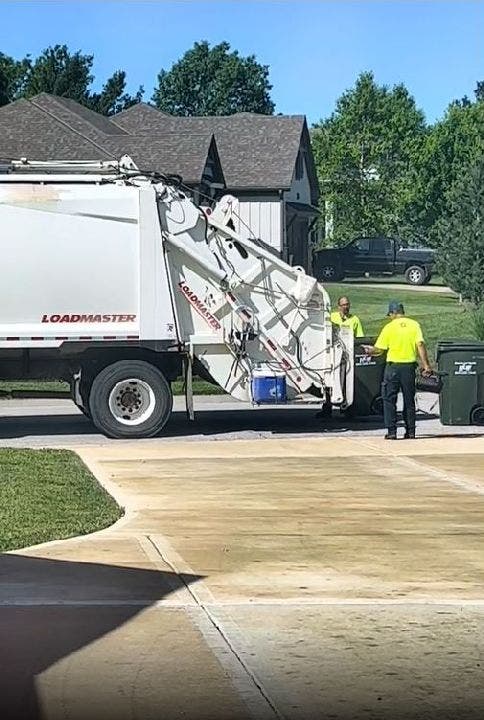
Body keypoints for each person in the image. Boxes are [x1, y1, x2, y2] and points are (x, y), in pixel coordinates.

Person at [362, 300, 432, 440]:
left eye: (390, 314)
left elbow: (380, 350)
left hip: (393, 367)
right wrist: (426, 365)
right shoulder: (414, 325)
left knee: (389, 399)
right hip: (409, 367)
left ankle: (392, 431)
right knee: (409, 399)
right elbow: (420, 344)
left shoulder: (389, 327)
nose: (390, 317)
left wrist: (369, 351)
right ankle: (410, 431)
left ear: (393, 313)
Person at [317, 296, 364, 419]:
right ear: (338, 306)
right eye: (343, 305)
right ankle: (327, 408)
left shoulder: (355, 320)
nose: (346, 307)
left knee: (346, 380)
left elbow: (359, 338)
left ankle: (347, 408)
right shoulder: (332, 317)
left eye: (347, 304)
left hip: (347, 355)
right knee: (328, 380)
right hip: (331, 354)